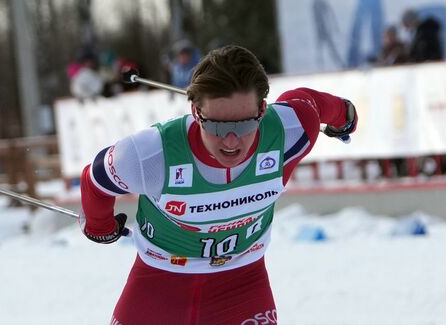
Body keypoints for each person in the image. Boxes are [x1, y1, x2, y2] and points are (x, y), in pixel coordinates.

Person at [79, 45, 358, 324]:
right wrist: (99, 227)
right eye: (217, 126)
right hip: (157, 285)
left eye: (245, 124)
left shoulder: (289, 129)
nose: (231, 141)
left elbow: (313, 103)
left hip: (243, 284)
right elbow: (95, 180)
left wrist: (345, 113)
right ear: (196, 111)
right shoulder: (151, 153)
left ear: (263, 109)